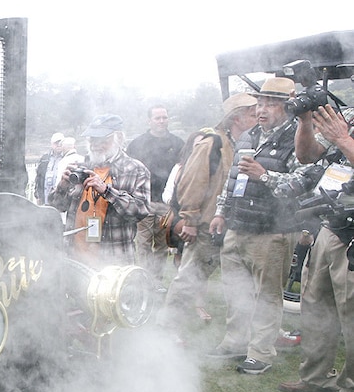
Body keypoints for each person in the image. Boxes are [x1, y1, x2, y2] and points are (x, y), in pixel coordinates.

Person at [206, 77, 317, 373]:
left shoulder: (299, 137)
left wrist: (264, 175)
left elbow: (302, 184)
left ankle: (261, 353)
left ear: (287, 107)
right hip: (238, 226)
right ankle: (235, 342)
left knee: (268, 295)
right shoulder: (250, 135)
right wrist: (220, 212)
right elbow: (233, 178)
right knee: (235, 290)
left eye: (271, 103)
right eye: (260, 103)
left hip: (274, 231)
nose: (262, 110)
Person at [278, 104, 354, 392]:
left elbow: (340, 143)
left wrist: (343, 140)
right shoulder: (348, 115)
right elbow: (307, 155)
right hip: (332, 223)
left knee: (351, 311)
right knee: (316, 302)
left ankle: (351, 389)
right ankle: (316, 377)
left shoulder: (343, 127)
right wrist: (305, 119)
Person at [161, 93, 257, 330]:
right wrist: (191, 220)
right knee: (189, 280)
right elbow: (192, 182)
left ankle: (244, 333)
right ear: (237, 118)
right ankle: (168, 329)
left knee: (242, 282)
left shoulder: (245, 144)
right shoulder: (212, 143)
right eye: (253, 114)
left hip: (235, 224)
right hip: (206, 226)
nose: (258, 118)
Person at [49, 114, 151, 266]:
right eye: (92, 139)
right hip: (75, 260)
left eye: (103, 140)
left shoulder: (135, 169)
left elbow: (140, 211)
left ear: (119, 139)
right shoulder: (80, 167)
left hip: (114, 261)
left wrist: (106, 191)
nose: (96, 144)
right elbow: (57, 207)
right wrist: (62, 187)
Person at [126, 105, 184, 288]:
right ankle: (144, 280)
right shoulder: (137, 144)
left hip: (166, 204)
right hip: (144, 201)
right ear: (149, 120)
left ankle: (157, 281)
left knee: (161, 243)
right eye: (157, 118)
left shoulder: (177, 144)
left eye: (164, 118)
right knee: (143, 242)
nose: (161, 121)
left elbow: (182, 172)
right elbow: (128, 171)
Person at [34, 133, 66, 205]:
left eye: (60, 143)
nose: (58, 145)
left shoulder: (67, 158)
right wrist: (37, 195)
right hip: (44, 197)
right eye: (56, 143)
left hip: (61, 200)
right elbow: (38, 178)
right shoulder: (44, 158)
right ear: (51, 144)